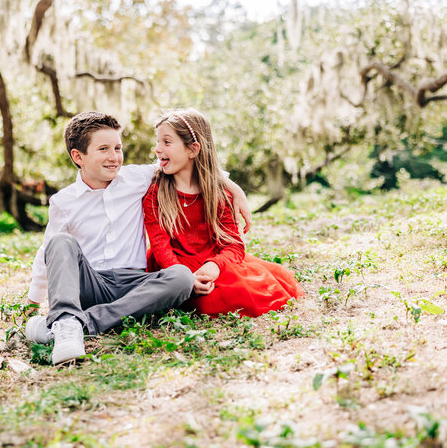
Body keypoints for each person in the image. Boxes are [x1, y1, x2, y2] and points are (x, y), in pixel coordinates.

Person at [24, 111, 252, 365]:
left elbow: (190, 162)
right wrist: (33, 300)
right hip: (90, 283)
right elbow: (47, 253)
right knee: (59, 242)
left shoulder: (138, 178)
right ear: (78, 156)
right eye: (103, 149)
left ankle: (78, 324)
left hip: (134, 283)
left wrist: (235, 189)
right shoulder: (63, 201)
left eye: (117, 147)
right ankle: (66, 323)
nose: (114, 156)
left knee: (181, 277)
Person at [143, 108, 304, 318]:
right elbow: (160, 246)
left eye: (166, 142)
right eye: (157, 141)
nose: (157, 149)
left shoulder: (218, 194)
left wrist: (215, 266)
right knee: (199, 300)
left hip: (213, 262)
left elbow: (234, 245)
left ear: (193, 149)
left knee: (244, 292)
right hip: (174, 266)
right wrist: (185, 278)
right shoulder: (155, 194)